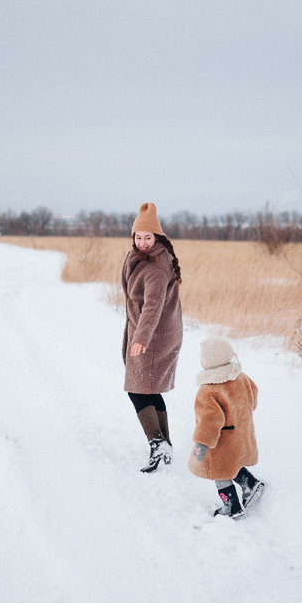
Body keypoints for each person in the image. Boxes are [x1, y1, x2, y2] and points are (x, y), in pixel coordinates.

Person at [122, 202, 183, 473]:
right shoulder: (139, 256)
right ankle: (164, 445)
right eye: (138, 236)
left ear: (157, 237)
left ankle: (158, 444)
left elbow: (153, 306)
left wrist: (141, 338)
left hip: (154, 335)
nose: (143, 242)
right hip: (150, 332)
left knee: (137, 389)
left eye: (148, 237)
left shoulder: (157, 266)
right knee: (149, 389)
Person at [189, 337, 265, 518]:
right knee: (234, 462)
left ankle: (231, 506)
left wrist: (201, 445)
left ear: (208, 362)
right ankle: (250, 484)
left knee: (219, 470)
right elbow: (252, 400)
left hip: (221, 442)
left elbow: (209, 421)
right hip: (241, 434)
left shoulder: (208, 391)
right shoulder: (242, 378)